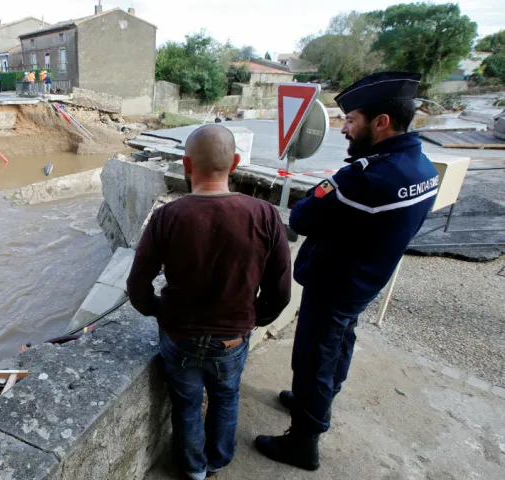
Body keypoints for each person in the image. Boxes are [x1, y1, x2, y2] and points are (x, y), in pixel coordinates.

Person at [255, 72, 440, 471]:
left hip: (336, 282)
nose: (344, 129)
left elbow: (303, 217)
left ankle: (304, 440)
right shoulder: (422, 167)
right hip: (367, 278)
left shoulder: (366, 178)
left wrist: (325, 191)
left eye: (351, 120)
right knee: (340, 342)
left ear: (381, 122)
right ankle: (319, 401)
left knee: (313, 359)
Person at [127, 125, 292, 480]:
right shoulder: (265, 215)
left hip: (180, 339)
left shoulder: (167, 217)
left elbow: (137, 289)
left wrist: (161, 310)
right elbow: (280, 293)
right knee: (226, 397)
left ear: (187, 164)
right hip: (232, 340)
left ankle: (192, 468)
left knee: (185, 405)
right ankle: (218, 459)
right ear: (235, 162)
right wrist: (250, 319)